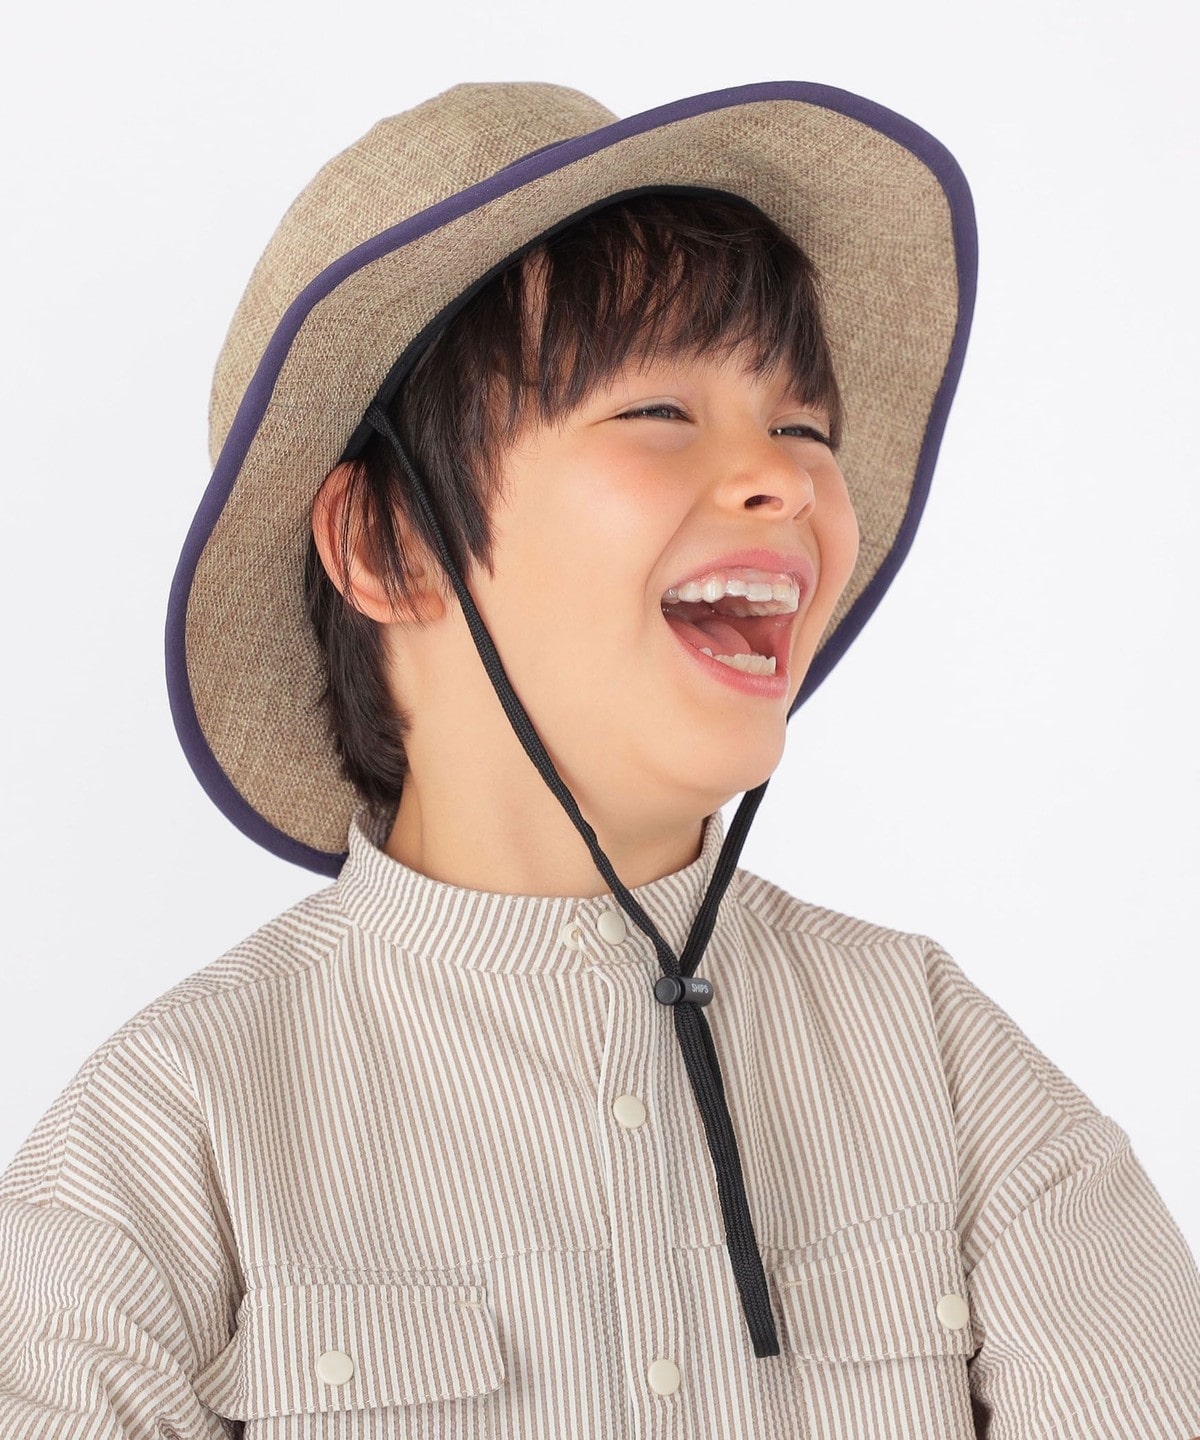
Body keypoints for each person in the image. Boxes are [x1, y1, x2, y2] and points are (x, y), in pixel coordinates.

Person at [1, 80, 1198, 1440]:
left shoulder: (939, 1061)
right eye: (660, 412)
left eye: (804, 428)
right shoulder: (170, 1140)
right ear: (389, 541)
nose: (785, 480)